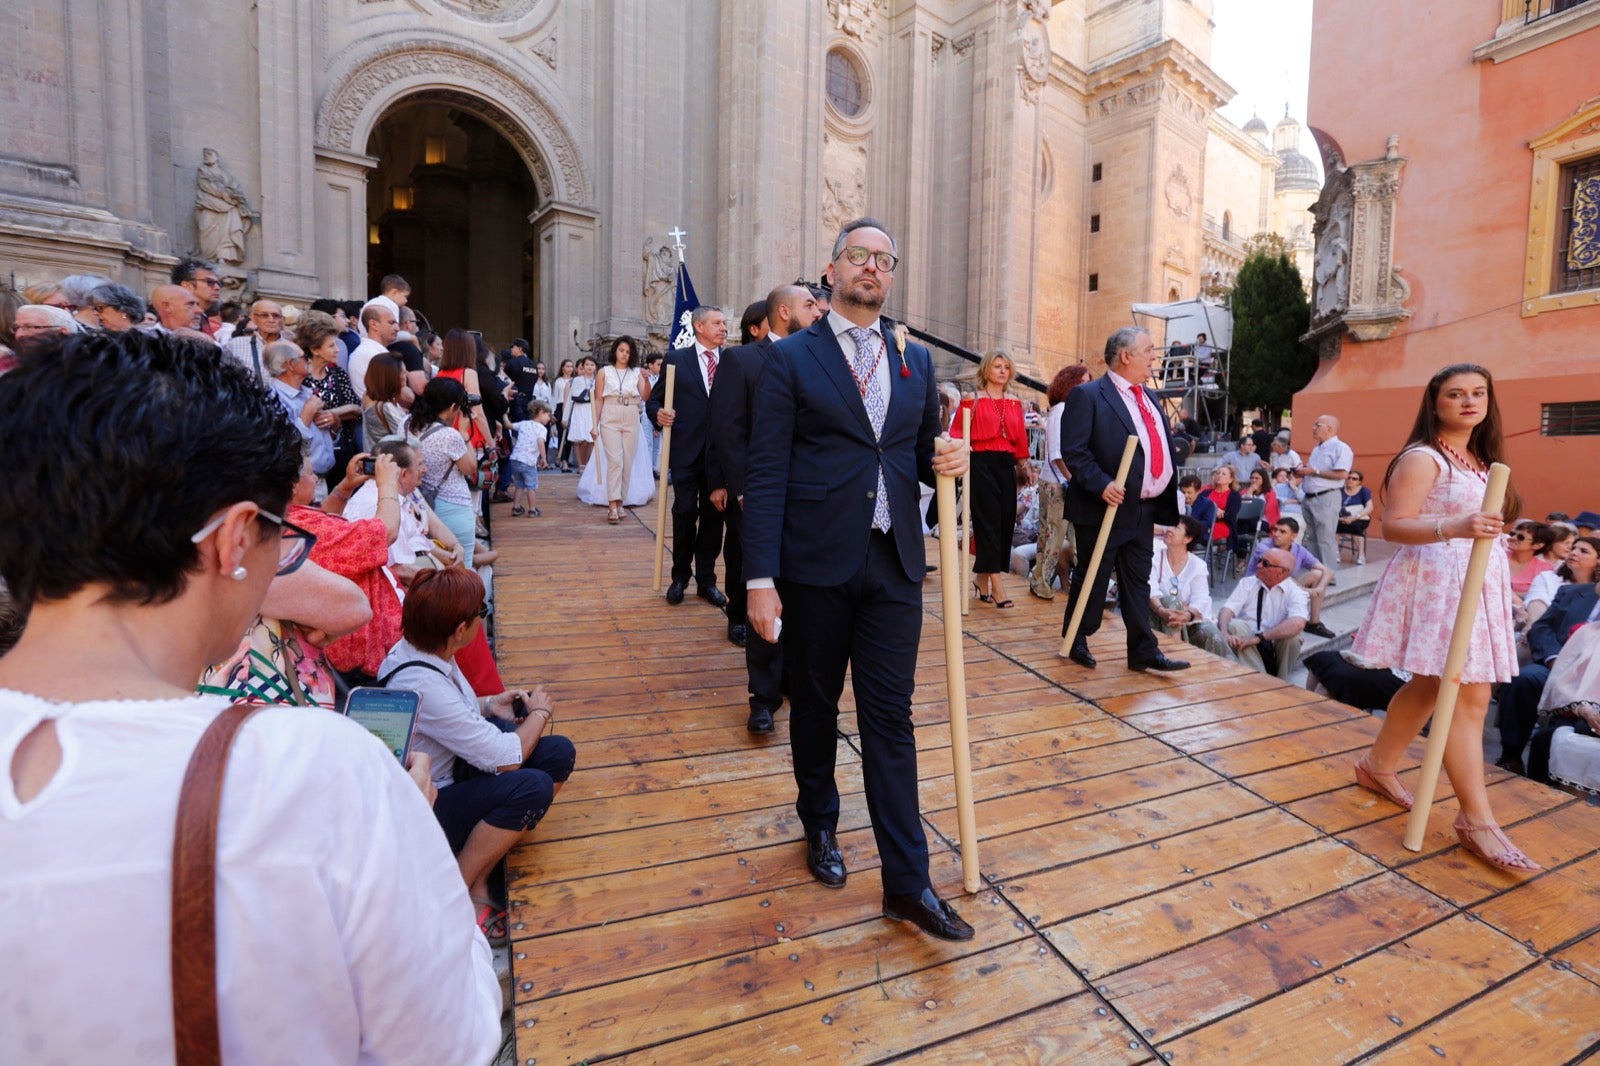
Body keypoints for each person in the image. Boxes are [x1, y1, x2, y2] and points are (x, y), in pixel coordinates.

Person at [0, 329, 501, 1062]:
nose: (283, 560)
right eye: (282, 538)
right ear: (235, 539)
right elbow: (447, 1039)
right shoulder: (309, 774)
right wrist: (409, 831)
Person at [744, 217, 974, 940]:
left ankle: (906, 882)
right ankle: (820, 824)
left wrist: (947, 468)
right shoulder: (791, 359)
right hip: (812, 562)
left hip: (895, 561)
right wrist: (758, 576)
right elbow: (768, 470)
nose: (872, 268)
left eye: (884, 260)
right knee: (814, 706)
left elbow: (905, 455)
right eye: (858, 257)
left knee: (891, 720)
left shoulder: (914, 360)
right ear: (832, 268)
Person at [1347, 363, 1537, 872]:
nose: (1468, 401)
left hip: (1474, 582)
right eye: (1455, 394)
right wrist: (1454, 524)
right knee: (1464, 692)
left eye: (1478, 393)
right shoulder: (1424, 457)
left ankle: (1378, 765)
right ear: (1436, 404)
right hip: (1439, 582)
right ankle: (1476, 821)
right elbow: (1393, 524)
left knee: (1435, 686)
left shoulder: (1481, 459)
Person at [378, 567, 576, 941]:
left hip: (454, 768)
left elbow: (449, 715)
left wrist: (487, 705)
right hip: (429, 802)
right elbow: (507, 756)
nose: (479, 621)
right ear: (459, 630)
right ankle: (460, 887)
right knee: (531, 787)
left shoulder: (426, 652)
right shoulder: (421, 681)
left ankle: (483, 858)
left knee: (557, 753)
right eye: (479, 615)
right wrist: (540, 713)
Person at [707, 283, 821, 727]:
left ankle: (795, 678)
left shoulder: (820, 360)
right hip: (759, 496)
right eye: (811, 304)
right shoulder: (742, 360)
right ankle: (763, 695)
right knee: (760, 587)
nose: (819, 311)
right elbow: (728, 430)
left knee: (803, 595)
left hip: (811, 503)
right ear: (784, 312)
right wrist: (740, 489)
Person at [1057, 327, 1189, 672]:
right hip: (1104, 506)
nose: (1154, 357)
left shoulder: (1149, 396)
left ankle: (1143, 650)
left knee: (1137, 579)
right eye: (1148, 350)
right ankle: (1076, 639)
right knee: (1093, 576)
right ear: (1126, 356)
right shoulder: (1087, 395)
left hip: (1143, 509)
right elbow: (1075, 451)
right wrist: (1101, 484)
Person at [649, 307, 729, 608]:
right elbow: (656, 399)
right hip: (685, 450)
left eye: (724, 323)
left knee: (714, 517)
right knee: (684, 513)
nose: (723, 328)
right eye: (717, 323)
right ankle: (679, 576)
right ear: (698, 326)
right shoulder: (676, 360)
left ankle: (706, 580)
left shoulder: (732, 361)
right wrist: (658, 412)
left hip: (720, 455)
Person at [1496, 548, 1599, 776]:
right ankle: (1511, 756)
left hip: (1595, 684)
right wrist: (1554, 659)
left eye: (1584, 551)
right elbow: (1542, 627)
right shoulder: (1571, 592)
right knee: (1524, 679)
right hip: (1555, 667)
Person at [951, 350, 1034, 609]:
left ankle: (981, 578)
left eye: (1006, 367)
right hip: (980, 462)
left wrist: (1026, 464)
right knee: (988, 522)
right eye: (997, 366)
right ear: (986, 369)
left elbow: (1020, 438)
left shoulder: (1013, 402)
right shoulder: (971, 399)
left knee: (1006, 520)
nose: (1002, 371)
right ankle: (998, 582)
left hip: (1006, 464)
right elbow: (956, 433)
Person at [1030, 365, 1090, 600]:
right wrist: (1072, 479)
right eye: (1083, 381)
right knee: (1053, 534)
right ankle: (1040, 580)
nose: (1087, 385)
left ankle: (1080, 584)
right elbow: (1056, 453)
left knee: (1073, 535)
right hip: (1058, 483)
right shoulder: (1061, 410)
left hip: (1068, 481)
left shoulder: (1073, 411)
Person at [408, 376, 480, 568]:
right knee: (461, 572)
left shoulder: (407, 424)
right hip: (452, 507)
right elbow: (470, 468)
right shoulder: (449, 435)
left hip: (418, 505)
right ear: (452, 407)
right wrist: (464, 434)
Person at [1218, 546, 1309, 678]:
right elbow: (1227, 610)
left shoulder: (1296, 592)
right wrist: (1224, 632)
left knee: (1294, 637)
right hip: (1247, 641)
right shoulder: (1247, 583)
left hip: (1272, 641)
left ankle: (1281, 680)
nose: (1259, 565)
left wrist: (1259, 638)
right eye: (1259, 560)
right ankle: (1260, 677)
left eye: (1265, 563)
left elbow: (1298, 623)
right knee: (1234, 625)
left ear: (1282, 571)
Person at [297, 311, 362, 489]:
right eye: (332, 346)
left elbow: (357, 408)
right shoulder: (300, 378)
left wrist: (334, 414)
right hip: (311, 458)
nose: (338, 350)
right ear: (315, 350)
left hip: (341, 453)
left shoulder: (337, 373)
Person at [1150, 516, 1229, 658]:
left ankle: (1232, 670)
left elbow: (1201, 598)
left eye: (1175, 527)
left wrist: (1187, 614)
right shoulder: (1154, 556)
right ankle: (1176, 656)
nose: (1168, 530)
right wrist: (1163, 610)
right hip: (1155, 616)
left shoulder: (1198, 565)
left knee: (1210, 632)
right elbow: (1150, 589)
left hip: (1187, 620)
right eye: (1169, 526)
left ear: (1187, 539)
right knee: (1171, 602)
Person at [1244, 517, 1336, 638]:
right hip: (1259, 590)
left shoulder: (1299, 550)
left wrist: (1319, 589)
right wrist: (1307, 590)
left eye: (1282, 532)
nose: (1276, 534)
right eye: (1275, 530)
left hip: (1283, 587)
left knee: (1318, 575)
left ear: (1293, 536)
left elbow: (1327, 571)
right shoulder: (1264, 547)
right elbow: (1279, 576)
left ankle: (1314, 623)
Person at [593, 336, 650, 524]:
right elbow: (599, 399)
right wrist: (594, 424)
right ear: (615, 351)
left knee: (626, 462)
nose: (624, 354)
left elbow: (645, 396)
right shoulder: (604, 372)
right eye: (621, 350)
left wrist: (646, 379)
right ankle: (611, 505)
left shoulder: (636, 373)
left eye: (628, 351)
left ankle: (620, 502)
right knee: (615, 461)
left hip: (632, 414)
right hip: (610, 415)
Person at [262, 340, 335, 480]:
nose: (309, 360)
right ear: (290, 364)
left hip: (324, 479)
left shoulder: (306, 392)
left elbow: (320, 437)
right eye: (304, 357)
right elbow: (286, 445)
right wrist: (306, 415)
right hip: (301, 482)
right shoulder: (272, 399)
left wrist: (334, 425)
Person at [1295, 413, 1354, 571]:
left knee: (1325, 538)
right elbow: (1315, 471)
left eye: (1317, 425)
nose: (1313, 428)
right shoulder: (1317, 449)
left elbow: (1342, 474)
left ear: (1329, 428)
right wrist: (1303, 472)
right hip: (1309, 497)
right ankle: (1315, 571)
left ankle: (1328, 574)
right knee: (1312, 537)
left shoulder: (1341, 448)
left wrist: (1314, 471)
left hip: (1326, 496)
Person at [348, 301, 400, 409]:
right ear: (373, 324)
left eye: (397, 323)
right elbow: (406, 396)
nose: (397, 328)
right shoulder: (372, 354)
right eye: (391, 322)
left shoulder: (374, 351)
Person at [507, 400, 552, 517]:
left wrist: (503, 414)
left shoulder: (523, 423)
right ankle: (532, 509)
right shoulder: (542, 429)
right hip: (528, 462)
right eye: (548, 414)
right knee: (531, 486)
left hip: (515, 460)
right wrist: (544, 458)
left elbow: (509, 425)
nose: (549, 418)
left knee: (519, 485)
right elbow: (540, 442)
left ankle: (516, 507)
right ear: (541, 412)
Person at [224, 299, 286, 380]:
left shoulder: (293, 349)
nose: (271, 320)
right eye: (264, 315)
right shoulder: (235, 344)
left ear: (283, 320)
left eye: (276, 316)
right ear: (253, 318)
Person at [361, 351, 410, 445]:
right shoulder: (386, 407)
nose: (407, 374)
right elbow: (409, 439)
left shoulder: (367, 396)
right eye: (404, 372)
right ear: (392, 376)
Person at [563, 355, 598, 470]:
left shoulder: (598, 381)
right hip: (579, 409)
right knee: (578, 437)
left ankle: (588, 464)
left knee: (591, 438)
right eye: (587, 364)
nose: (589, 367)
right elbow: (569, 400)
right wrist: (565, 417)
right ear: (583, 366)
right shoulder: (577, 380)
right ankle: (580, 465)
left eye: (592, 365)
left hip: (591, 410)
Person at [1202, 465, 1243, 556]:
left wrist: (1215, 513)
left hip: (1223, 525)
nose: (1219, 475)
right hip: (1205, 523)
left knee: (1195, 530)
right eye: (1218, 473)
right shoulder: (1206, 492)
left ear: (1230, 479)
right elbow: (1197, 508)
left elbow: (1231, 516)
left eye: (1223, 474)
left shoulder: (1234, 495)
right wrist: (1213, 511)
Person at [1337, 469, 1374, 564]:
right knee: (1333, 525)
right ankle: (1335, 552)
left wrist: (1354, 517)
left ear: (1359, 481)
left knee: (1356, 526)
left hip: (1359, 517)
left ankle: (1361, 555)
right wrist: (1340, 518)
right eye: (1348, 478)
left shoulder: (1364, 491)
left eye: (1354, 479)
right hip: (1341, 517)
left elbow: (1369, 507)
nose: (1350, 480)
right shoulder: (1339, 490)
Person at [551, 358, 576, 471]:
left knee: (570, 436)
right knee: (562, 435)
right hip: (560, 408)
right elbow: (555, 397)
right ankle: (563, 461)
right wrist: (552, 412)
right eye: (567, 366)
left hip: (572, 408)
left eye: (571, 366)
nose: (570, 368)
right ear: (562, 368)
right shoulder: (559, 381)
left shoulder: (575, 381)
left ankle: (566, 459)